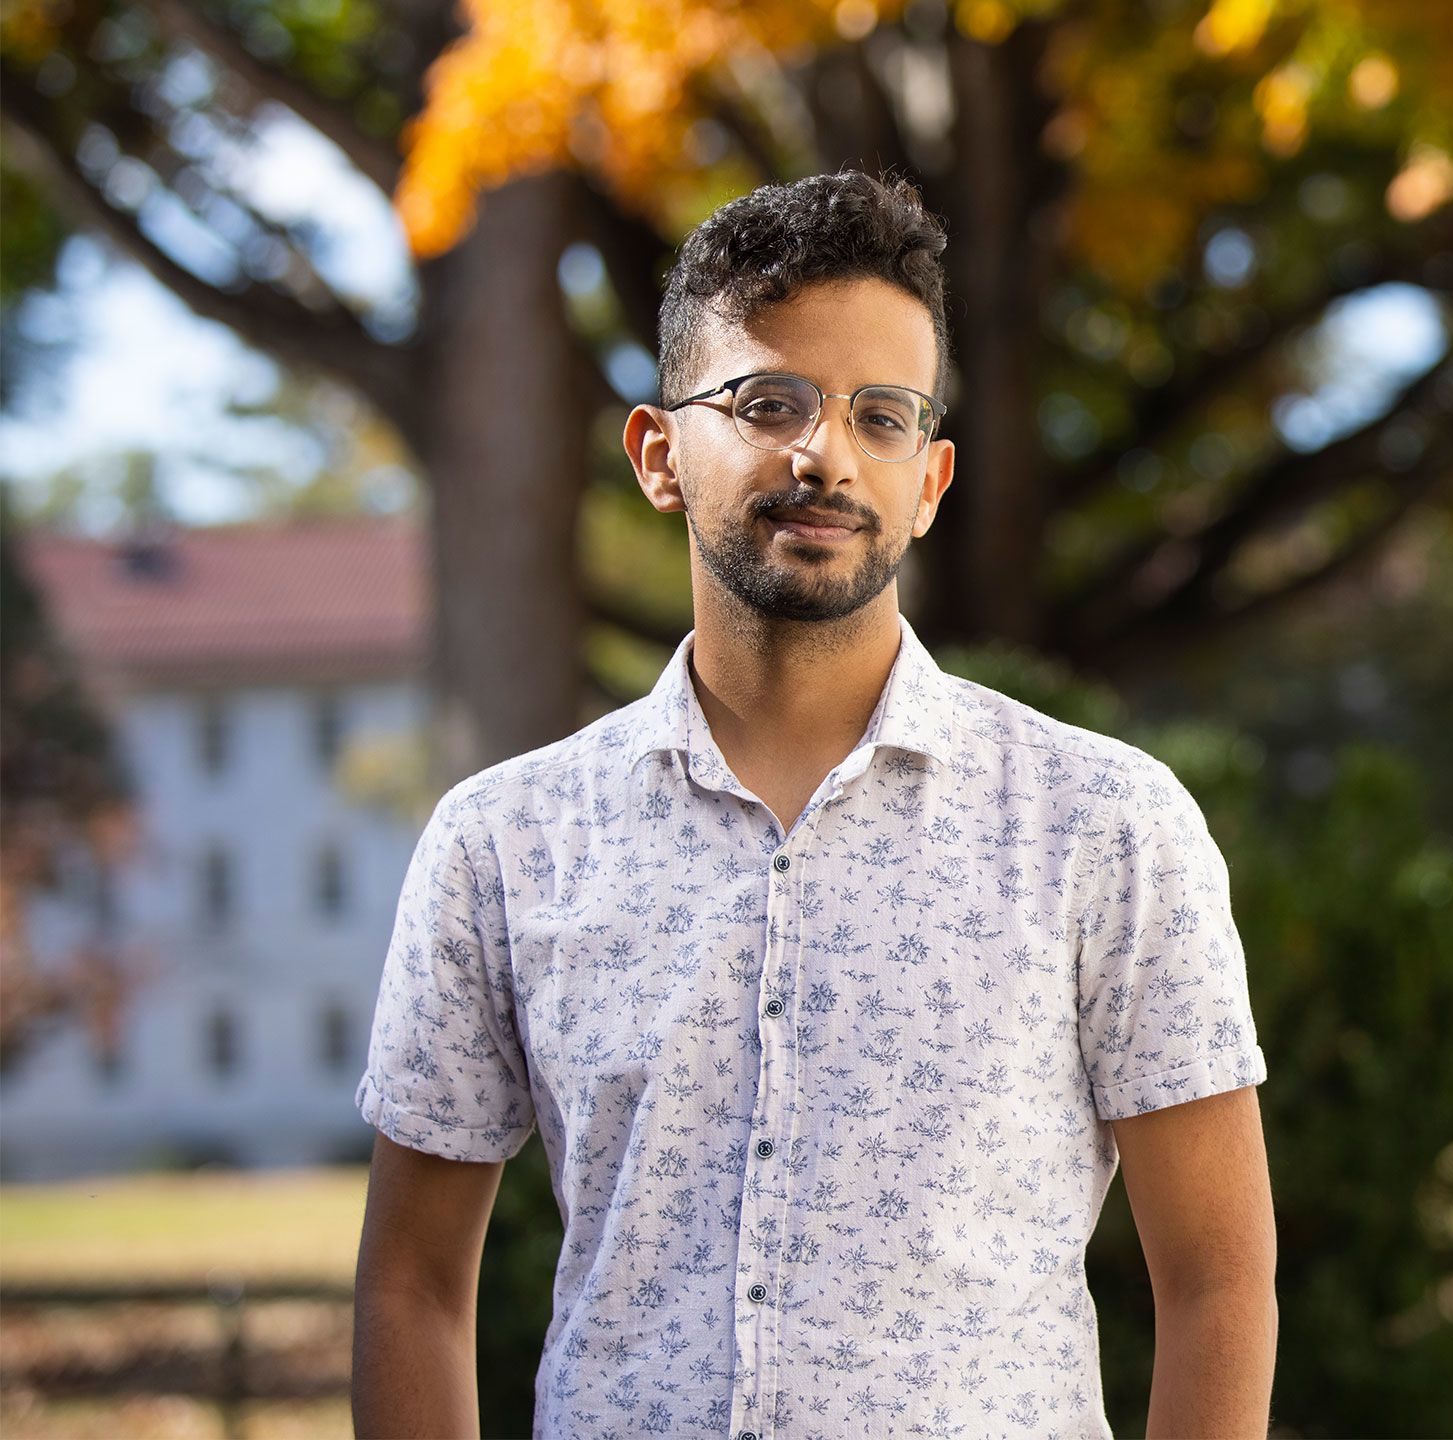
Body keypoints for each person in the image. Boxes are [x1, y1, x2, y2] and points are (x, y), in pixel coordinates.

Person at [349, 167, 1276, 1440]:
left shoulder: (1104, 827)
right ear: (660, 453)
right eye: (768, 399)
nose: (822, 453)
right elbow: (410, 1287)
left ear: (931, 480)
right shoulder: (504, 844)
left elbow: (1220, 1286)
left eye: (880, 415)